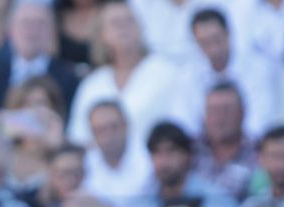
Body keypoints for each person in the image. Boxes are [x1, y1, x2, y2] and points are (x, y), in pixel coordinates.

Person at [65, 0, 193, 151]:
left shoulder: (166, 72)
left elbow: (184, 127)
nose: (123, 28)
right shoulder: (92, 84)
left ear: (140, 28)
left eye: (129, 21)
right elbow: (78, 139)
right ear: (102, 34)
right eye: (115, 23)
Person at [120, 121, 240, 207]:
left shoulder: (219, 202)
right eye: (157, 153)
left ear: (188, 155)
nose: (164, 161)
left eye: (171, 151)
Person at [190, 7, 275, 138]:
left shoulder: (258, 68)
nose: (213, 49)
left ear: (228, 33)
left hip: (250, 149)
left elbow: (260, 121)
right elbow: (190, 123)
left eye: (216, 39)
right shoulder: (189, 75)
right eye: (205, 43)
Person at [194, 82, 260, 200]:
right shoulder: (189, 150)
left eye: (227, 110)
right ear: (205, 116)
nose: (220, 118)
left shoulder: (259, 151)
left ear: (242, 112)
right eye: (214, 111)